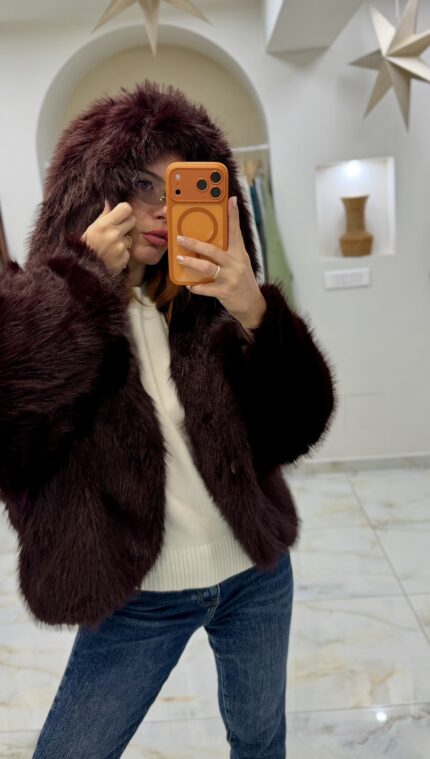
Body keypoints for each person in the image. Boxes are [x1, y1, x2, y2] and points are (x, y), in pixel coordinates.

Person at [0, 80, 336, 758]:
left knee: (259, 738)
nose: (161, 209)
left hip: (254, 575)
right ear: (92, 190)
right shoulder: (55, 311)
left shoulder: (213, 306)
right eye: (141, 185)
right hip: (139, 594)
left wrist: (256, 311)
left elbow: (298, 426)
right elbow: (15, 434)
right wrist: (81, 286)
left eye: (180, 188)